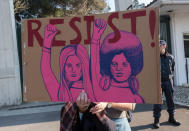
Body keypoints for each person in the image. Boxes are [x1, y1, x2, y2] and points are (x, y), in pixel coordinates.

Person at [90, 19, 144, 103]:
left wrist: (109, 104)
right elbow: (94, 66)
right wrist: (95, 39)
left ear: (133, 65)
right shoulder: (101, 87)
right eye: (114, 64)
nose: (119, 69)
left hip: (123, 116)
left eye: (124, 64)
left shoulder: (136, 97)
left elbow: (130, 107)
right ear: (108, 65)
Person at [41, 24, 94, 102]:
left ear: (84, 66)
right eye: (69, 65)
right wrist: (47, 43)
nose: (74, 70)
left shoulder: (93, 88)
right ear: (63, 67)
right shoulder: (60, 92)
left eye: (78, 65)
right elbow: (46, 71)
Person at [153, 40, 181, 129]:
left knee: (170, 100)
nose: (158, 47)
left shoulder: (171, 57)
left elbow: (172, 68)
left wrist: (170, 77)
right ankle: (156, 120)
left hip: (168, 81)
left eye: (160, 45)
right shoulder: (155, 57)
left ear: (164, 46)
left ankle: (171, 118)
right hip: (158, 82)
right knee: (158, 102)